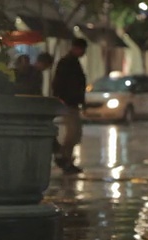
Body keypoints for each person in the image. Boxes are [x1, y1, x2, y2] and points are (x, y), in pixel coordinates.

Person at [52, 38, 88, 175]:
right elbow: (59, 83)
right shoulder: (66, 63)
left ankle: (66, 160)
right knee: (72, 134)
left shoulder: (73, 63)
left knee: (75, 134)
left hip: (72, 103)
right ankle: (63, 158)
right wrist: (61, 100)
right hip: (67, 103)